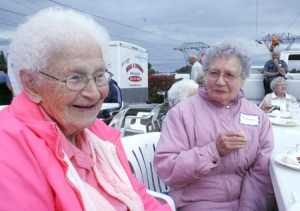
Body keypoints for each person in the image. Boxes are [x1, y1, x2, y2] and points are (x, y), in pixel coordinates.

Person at [0, 7, 170, 211]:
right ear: (31, 84)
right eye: (75, 77)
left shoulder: (100, 133)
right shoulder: (8, 149)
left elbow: (140, 198)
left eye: (99, 75)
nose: (94, 93)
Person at [154, 41, 275, 211]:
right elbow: (167, 170)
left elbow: (261, 175)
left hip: (246, 202)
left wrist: (248, 208)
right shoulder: (182, 113)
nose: (219, 81)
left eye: (229, 75)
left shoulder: (258, 117)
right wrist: (213, 151)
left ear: (243, 79)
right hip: (196, 203)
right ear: (205, 75)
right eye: (214, 73)